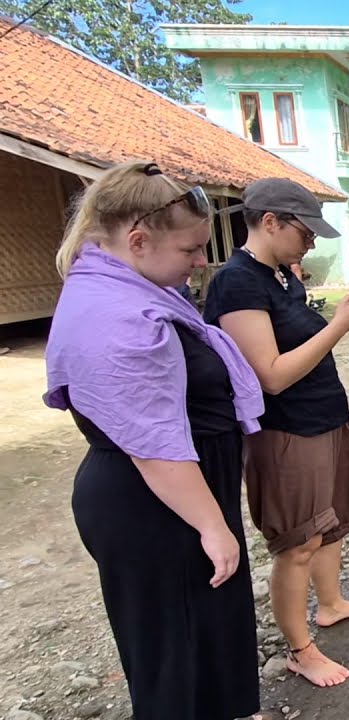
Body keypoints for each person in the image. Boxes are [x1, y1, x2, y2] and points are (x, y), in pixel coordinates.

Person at [42, 162, 265, 720]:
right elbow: (153, 443)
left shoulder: (125, 288)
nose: (201, 260)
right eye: (191, 249)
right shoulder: (120, 319)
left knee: (205, 636)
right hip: (155, 504)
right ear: (138, 240)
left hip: (177, 496)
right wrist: (212, 526)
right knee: (173, 652)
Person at [203, 178, 349, 688]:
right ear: (269, 222)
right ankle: (300, 650)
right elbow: (272, 375)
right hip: (285, 430)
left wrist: (340, 319)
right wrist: (340, 325)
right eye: (305, 232)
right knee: (298, 542)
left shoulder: (283, 275)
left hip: (325, 416)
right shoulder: (236, 282)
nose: (313, 242)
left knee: (331, 524)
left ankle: (331, 604)